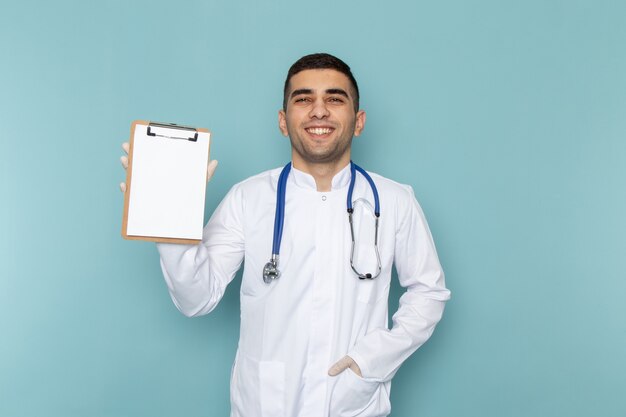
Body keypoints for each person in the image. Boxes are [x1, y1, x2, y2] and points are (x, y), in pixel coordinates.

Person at [120, 53, 450, 417]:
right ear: (283, 121)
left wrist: (373, 358)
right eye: (303, 99)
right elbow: (196, 299)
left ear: (358, 122)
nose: (319, 111)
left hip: (352, 404)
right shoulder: (248, 198)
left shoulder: (394, 201)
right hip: (263, 404)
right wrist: (170, 224)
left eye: (335, 99)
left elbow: (429, 291)